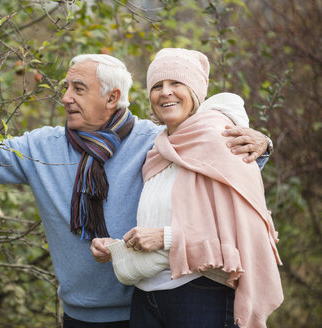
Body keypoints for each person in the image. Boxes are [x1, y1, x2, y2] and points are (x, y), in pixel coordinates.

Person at [0, 53, 271, 327]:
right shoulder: (42, 147)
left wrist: (263, 145)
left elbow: (221, 164)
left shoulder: (153, 139)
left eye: (78, 88)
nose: (65, 97)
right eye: (66, 87)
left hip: (147, 307)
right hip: (80, 315)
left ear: (113, 98)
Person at [90, 48, 283, 328]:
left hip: (199, 295)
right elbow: (163, 219)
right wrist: (120, 248)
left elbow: (239, 230)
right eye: (157, 86)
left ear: (194, 92)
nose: (165, 92)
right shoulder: (158, 150)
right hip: (146, 297)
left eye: (176, 83)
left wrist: (165, 238)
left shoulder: (223, 141)